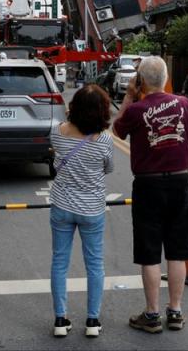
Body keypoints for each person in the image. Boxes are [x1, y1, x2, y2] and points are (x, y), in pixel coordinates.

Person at [113, 56, 188, 334]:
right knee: (178, 251)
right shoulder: (185, 104)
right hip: (181, 182)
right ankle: (175, 312)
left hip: (148, 185)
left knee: (150, 252)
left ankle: (152, 315)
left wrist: (129, 95)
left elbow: (116, 131)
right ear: (166, 78)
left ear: (140, 80)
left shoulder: (137, 109)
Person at [49, 84, 114, 338]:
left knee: (59, 262)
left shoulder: (58, 132)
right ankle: (92, 321)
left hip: (62, 206)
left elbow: (56, 160)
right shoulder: (105, 139)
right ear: (102, 111)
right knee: (95, 264)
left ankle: (60, 319)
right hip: (92, 209)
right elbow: (108, 169)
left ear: (73, 107)